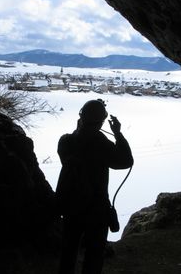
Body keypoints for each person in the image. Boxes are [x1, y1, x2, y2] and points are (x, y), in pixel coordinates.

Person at [56, 99, 134, 274]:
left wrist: (81, 128)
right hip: (96, 209)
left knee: (68, 252)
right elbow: (126, 161)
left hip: (71, 206)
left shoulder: (65, 142)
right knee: (94, 256)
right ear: (101, 122)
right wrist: (118, 134)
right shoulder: (102, 145)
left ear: (81, 117)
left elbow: (76, 144)